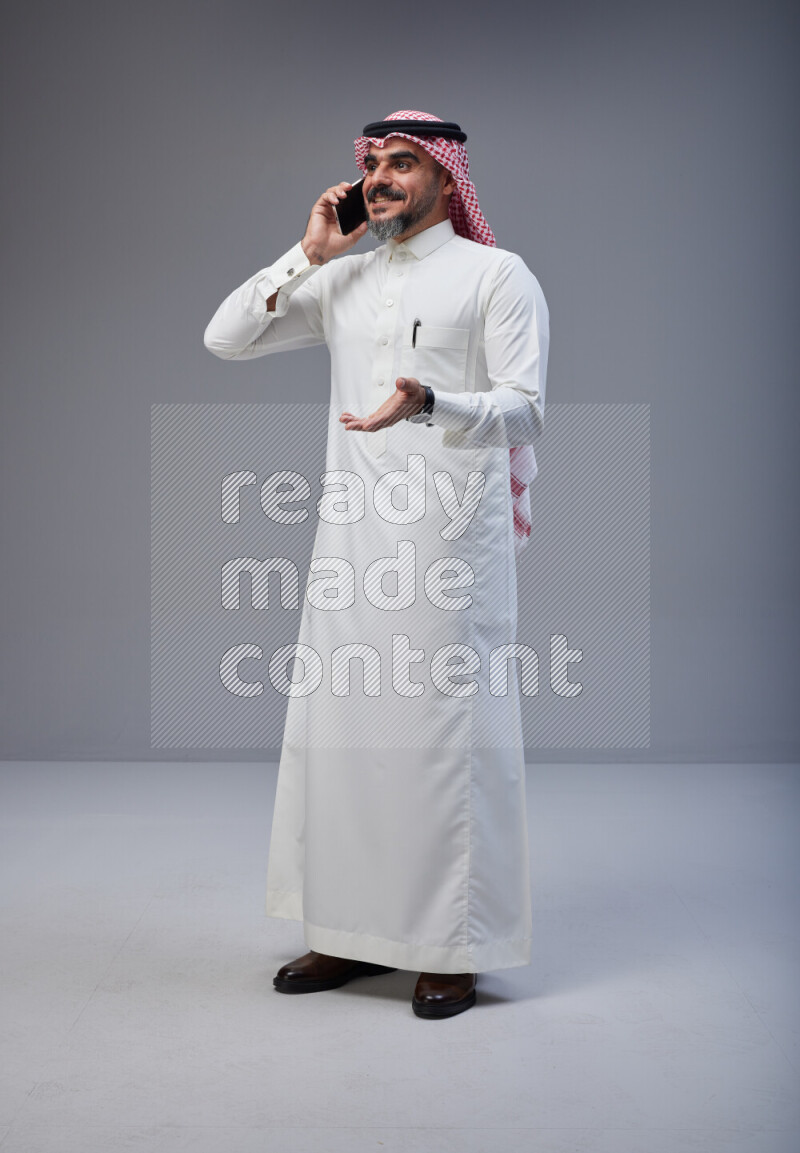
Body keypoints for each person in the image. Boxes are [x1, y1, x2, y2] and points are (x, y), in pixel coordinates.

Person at [204, 110, 549, 1019]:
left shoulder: (496, 275)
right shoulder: (344, 279)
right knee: (344, 736)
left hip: (447, 546)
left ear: (446, 176)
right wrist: (307, 254)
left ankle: (450, 946)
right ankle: (348, 933)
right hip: (350, 544)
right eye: (375, 163)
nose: (387, 177)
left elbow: (525, 409)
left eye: (405, 162)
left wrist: (431, 401)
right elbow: (225, 338)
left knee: (441, 743)